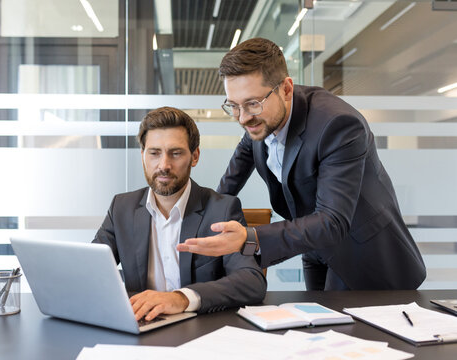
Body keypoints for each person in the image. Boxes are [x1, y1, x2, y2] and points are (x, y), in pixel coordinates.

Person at [177, 38, 426, 291]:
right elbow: (233, 176)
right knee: (318, 325)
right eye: (234, 106)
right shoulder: (260, 117)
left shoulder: (339, 125)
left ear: (286, 89)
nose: (242, 117)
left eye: (252, 104)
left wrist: (250, 238)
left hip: (363, 254)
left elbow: (332, 222)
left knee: (349, 329)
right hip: (314, 247)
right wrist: (201, 220)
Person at [93, 106, 266, 321]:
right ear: (142, 156)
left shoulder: (222, 209)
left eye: (175, 153)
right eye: (154, 153)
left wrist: (182, 298)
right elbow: (91, 269)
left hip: (200, 330)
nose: (164, 165)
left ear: (194, 156)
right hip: (141, 326)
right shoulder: (122, 207)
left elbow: (252, 281)